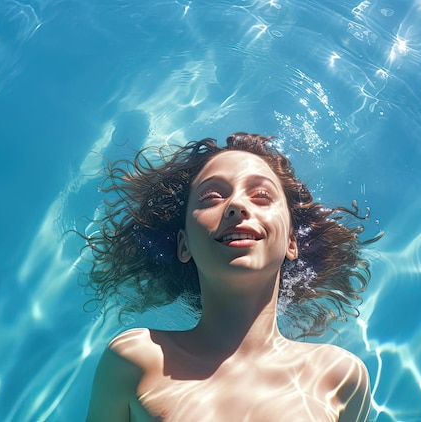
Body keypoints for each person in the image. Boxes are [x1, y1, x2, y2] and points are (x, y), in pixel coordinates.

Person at [83, 132, 379, 421]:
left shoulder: (341, 378)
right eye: (212, 197)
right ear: (184, 245)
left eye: (262, 196)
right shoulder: (136, 359)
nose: (237, 206)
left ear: (292, 241)